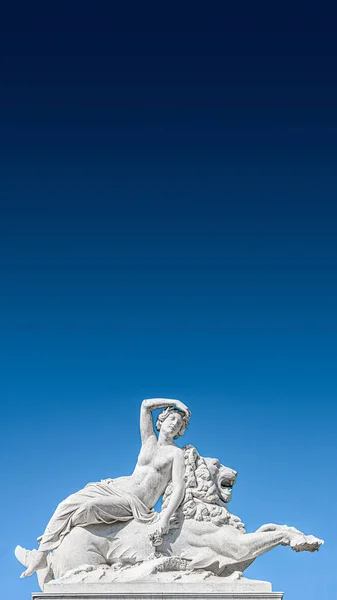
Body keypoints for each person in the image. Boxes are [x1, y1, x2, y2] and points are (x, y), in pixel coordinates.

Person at [17, 398, 190, 578]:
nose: (175, 424)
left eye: (179, 424)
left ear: (180, 431)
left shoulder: (176, 454)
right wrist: (176, 402)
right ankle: (41, 555)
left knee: (88, 508)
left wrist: (165, 517)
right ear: (161, 421)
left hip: (134, 502)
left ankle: (51, 553)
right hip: (113, 487)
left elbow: (179, 487)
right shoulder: (149, 441)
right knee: (65, 505)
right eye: (172, 419)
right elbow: (146, 405)